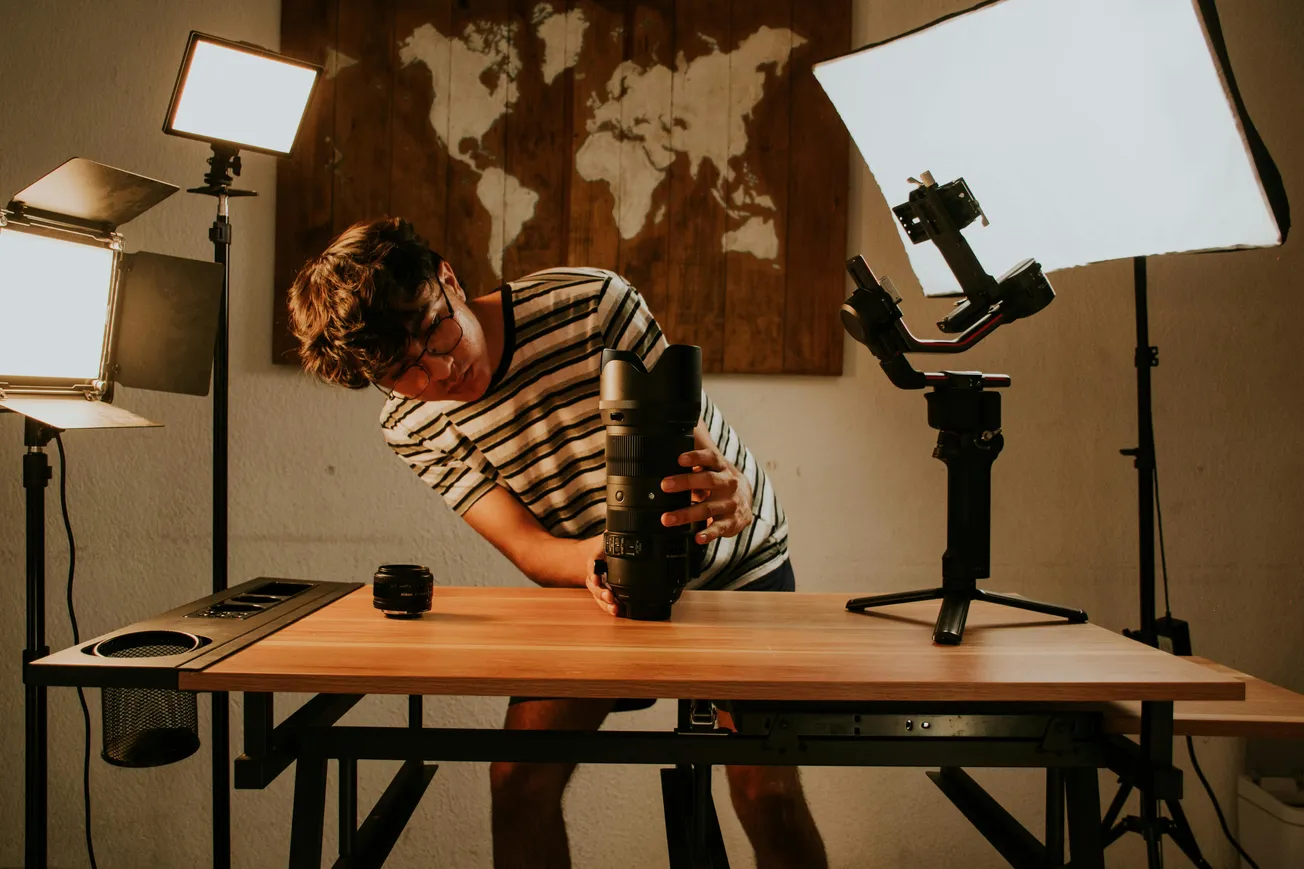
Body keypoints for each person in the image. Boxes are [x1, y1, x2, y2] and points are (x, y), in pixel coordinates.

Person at [287, 217, 826, 869]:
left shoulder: (591, 305)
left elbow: (693, 446)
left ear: (448, 278)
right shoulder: (410, 423)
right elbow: (528, 545)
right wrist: (596, 562)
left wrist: (730, 492)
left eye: (436, 330)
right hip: (606, 587)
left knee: (767, 791)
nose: (442, 369)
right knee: (519, 782)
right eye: (405, 370)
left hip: (737, 568)